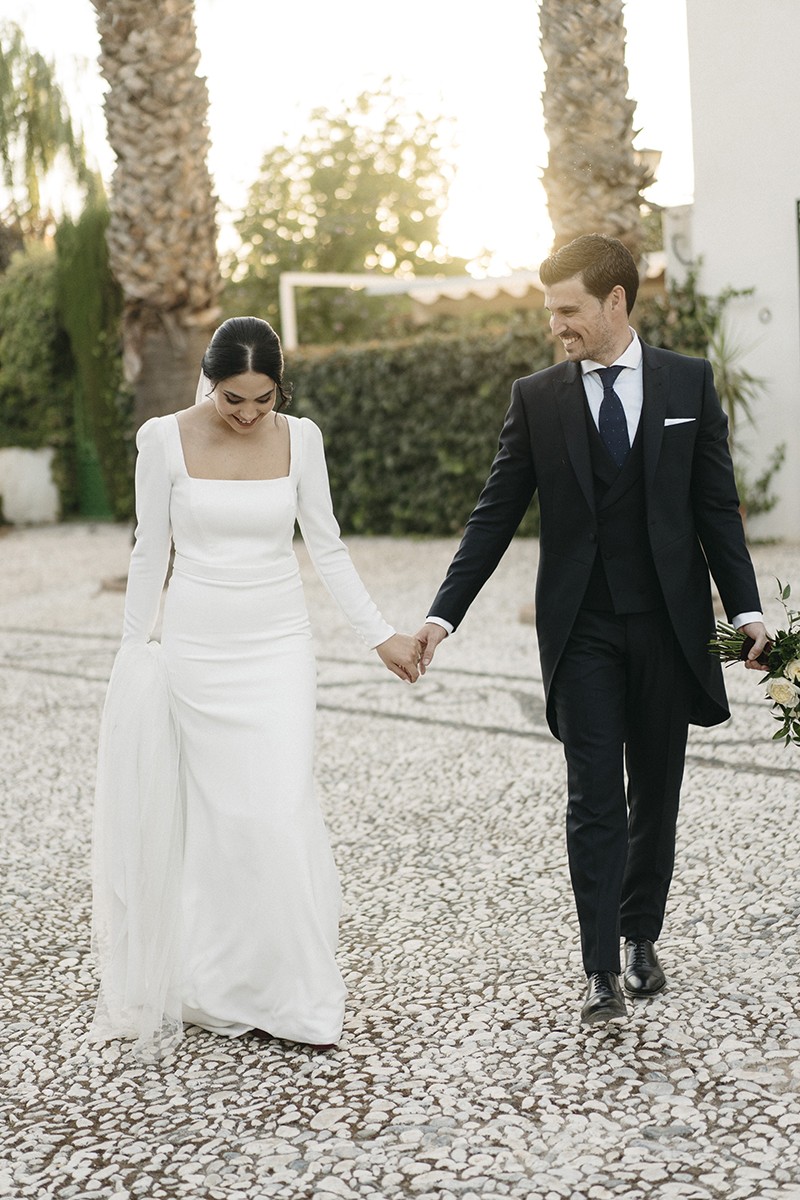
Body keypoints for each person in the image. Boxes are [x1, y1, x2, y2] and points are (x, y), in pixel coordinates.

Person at [415, 235, 769, 1026]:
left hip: (670, 626)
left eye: (568, 310)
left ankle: (642, 936)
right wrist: (443, 615)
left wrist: (746, 613)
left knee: (657, 793)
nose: (556, 327)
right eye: (550, 312)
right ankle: (601, 965)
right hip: (581, 629)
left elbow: (716, 509)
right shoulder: (536, 397)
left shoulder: (688, 382)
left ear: (616, 301)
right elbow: (494, 514)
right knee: (593, 796)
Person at [90, 316, 421, 1061]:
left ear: (281, 389)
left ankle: (297, 994)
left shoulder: (302, 440)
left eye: (260, 400)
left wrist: (380, 636)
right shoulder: (161, 438)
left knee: (277, 809)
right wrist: (131, 650)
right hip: (198, 650)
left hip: (277, 648)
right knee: (216, 822)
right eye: (231, 398)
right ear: (209, 379)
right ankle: (219, 983)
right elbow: (150, 551)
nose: (245, 414)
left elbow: (326, 546)